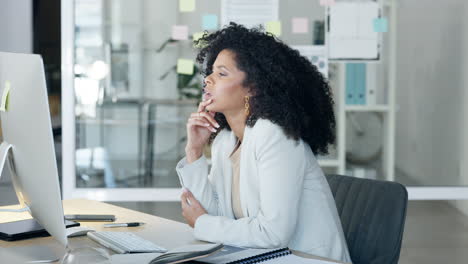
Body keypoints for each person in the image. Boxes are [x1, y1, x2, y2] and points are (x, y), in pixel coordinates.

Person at [176, 23, 351, 263]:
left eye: (222, 73)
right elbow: (214, 215)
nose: (208, 80)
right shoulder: (226, 142)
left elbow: (273, 233)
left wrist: (202, 223)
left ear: (253, 87)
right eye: (211, 72)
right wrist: (194, 150)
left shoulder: (274, 136)